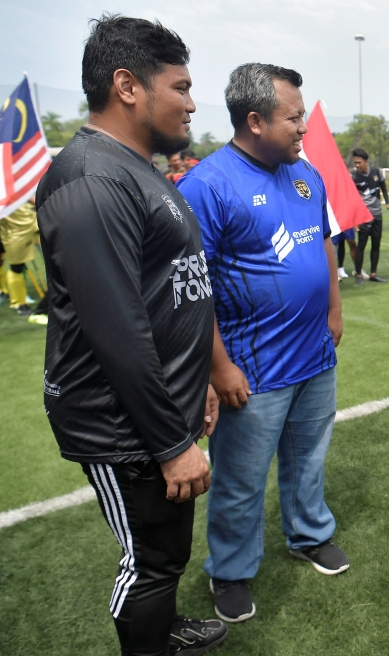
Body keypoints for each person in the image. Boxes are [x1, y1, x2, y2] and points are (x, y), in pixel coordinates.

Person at [35, 14, 228, 655]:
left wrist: (197, 377)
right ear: (127, 85)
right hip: (126, 425)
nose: (191, 101)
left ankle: (167, 630)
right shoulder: (92, 177)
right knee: (148, 559)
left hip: (163, 408)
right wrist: (173, 443)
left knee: (168, 548)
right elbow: (116, 328)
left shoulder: (137, 165)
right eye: (180, 86)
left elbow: (171, 289)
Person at [177, 62, 347, 624]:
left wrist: (334, 310)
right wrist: (218, 365)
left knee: (309, 461)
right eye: (293, 117)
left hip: (314, 356)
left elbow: (322, 242)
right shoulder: (207, 185)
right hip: (251, 367)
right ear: (254, 121)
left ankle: (308, 534)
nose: (303, 127)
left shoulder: (306, 175)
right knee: (241, 482)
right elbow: (191, 290)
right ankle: (229, 570)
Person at [351, 148, 389, 284]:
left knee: (376, 245)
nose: (357, 165)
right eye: (355, 162)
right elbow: (352, 200)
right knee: (361, 245)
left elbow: (383, 187)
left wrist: (387, 202)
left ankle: (373, 273)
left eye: (359, 162)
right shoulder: (354, 177)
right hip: (364, 217)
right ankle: (359, 275)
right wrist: (355, 220)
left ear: (366, 162)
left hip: (377, 215)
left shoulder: (376, 172)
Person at [0, 198, 40, 316]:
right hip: (13, 231)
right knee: (15, 266)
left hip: (31, 222)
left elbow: (29, 196)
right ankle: (18, 303)